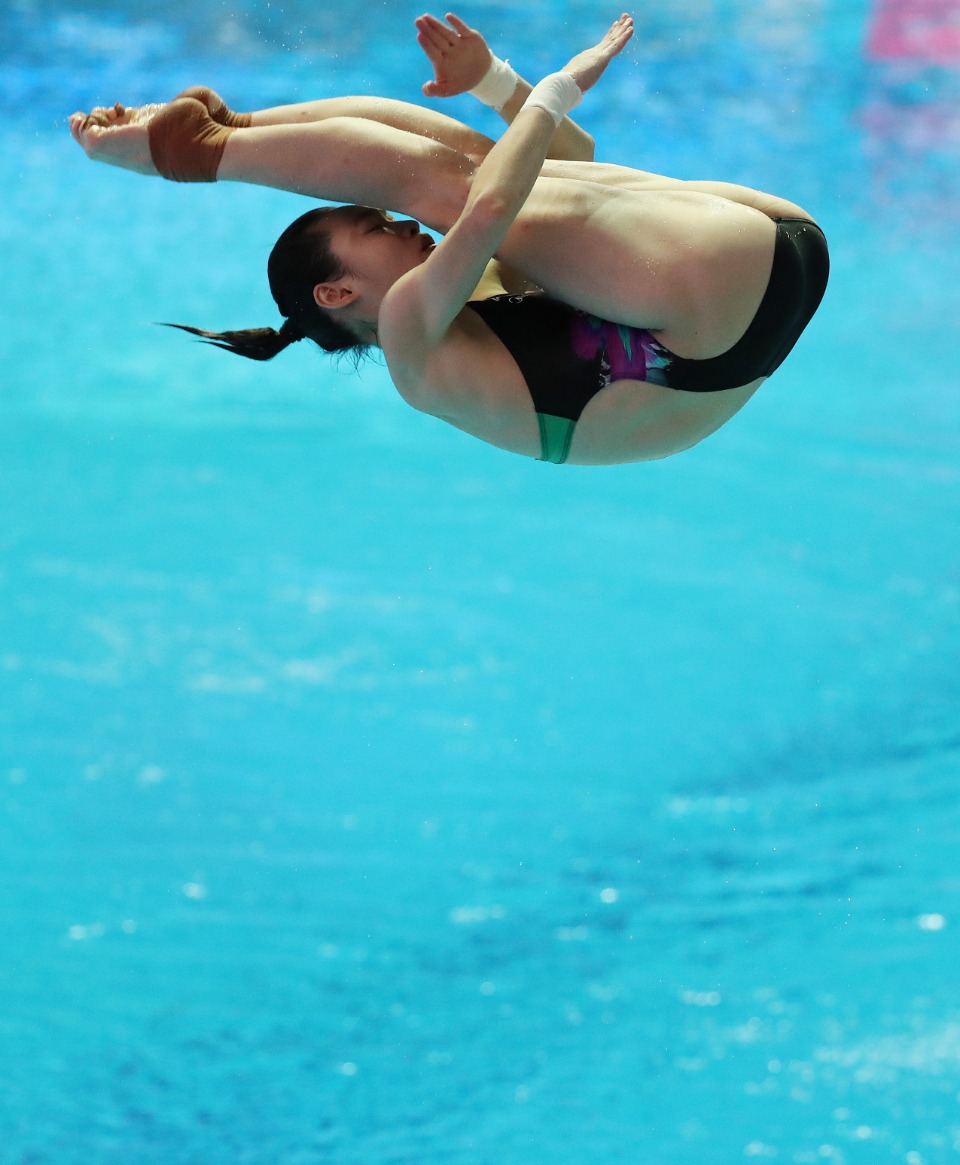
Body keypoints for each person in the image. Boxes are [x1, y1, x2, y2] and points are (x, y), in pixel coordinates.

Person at [68, 13, 828, 466]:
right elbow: (488, 201)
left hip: (758, 269)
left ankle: (228, 129)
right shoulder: (410, 337)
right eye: (375, 228)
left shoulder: (468, 281)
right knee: (451, 184)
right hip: (716, 324)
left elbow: (574, 159)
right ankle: (187, 154)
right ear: (338, 294)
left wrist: (495, 82)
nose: (402, 227)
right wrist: (562, 80)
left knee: (465, 166)